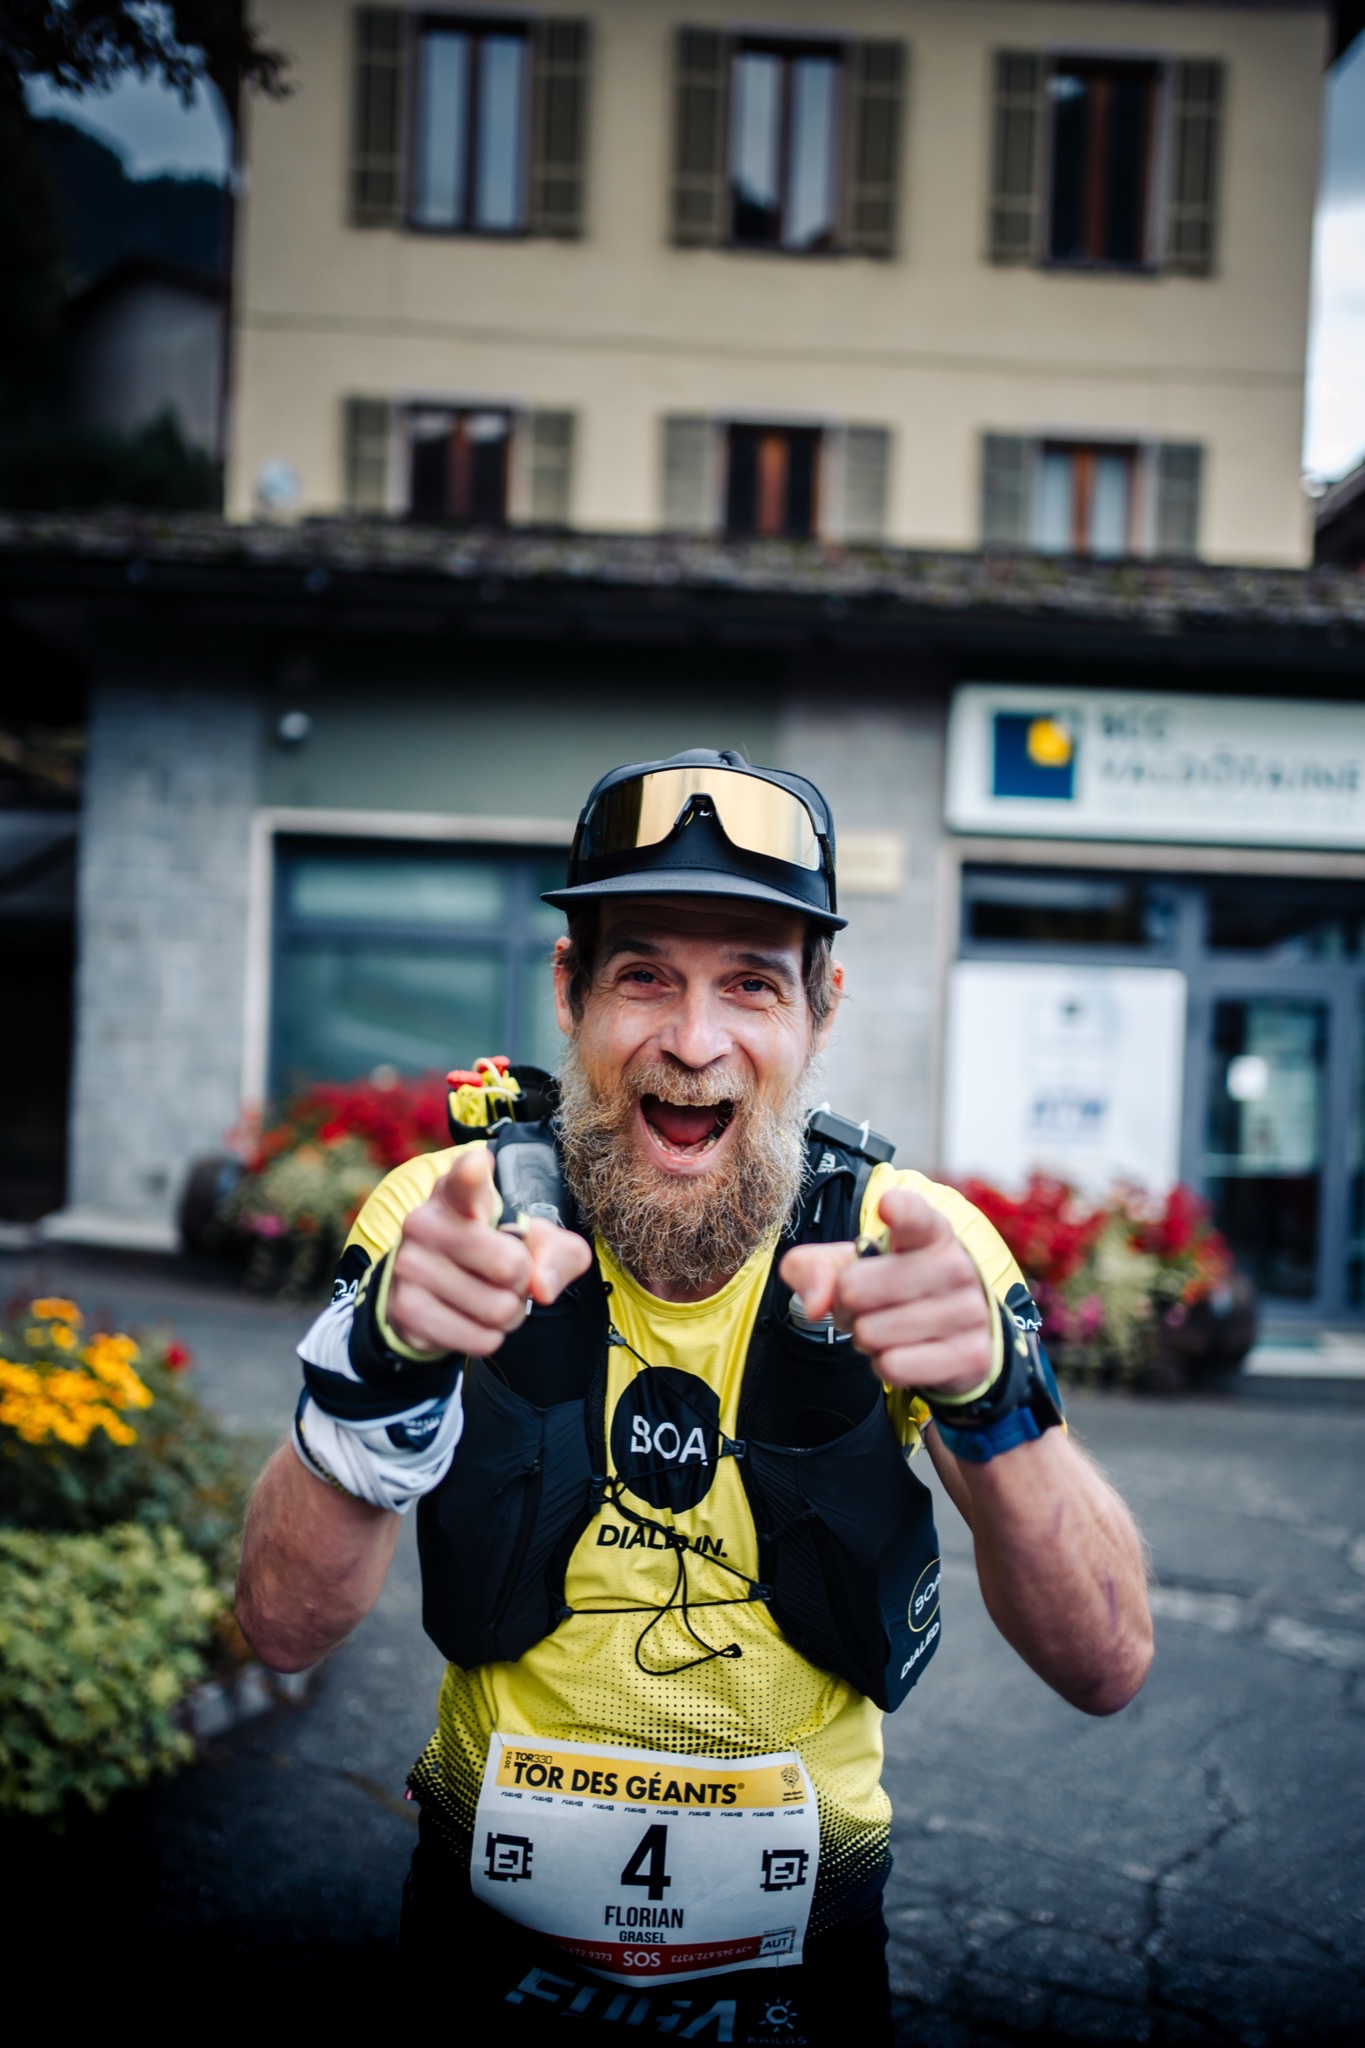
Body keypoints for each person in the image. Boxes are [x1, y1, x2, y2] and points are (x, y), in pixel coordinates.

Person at [237, 749, 1152, 2045]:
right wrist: (379, 1371)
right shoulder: (451, 1223)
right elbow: (280, 1629)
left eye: (752, 984)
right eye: (644, 976)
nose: (693, 1039)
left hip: (804, 1949)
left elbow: (1106, 1665)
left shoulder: (910, 1248)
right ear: (570, 992)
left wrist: (994, 1403)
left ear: (821, 1009)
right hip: (478, 1931)